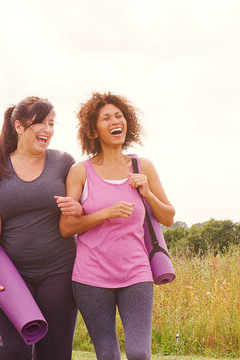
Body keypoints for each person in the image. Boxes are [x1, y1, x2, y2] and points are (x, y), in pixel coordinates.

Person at [58, 92, 175, 360]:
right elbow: (67, 227)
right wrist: (105, 213)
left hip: (136, 272)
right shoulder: (80, 171)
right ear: (94, 129)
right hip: (91, 276)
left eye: (119, 116)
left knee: (138, 353)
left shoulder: (141, 166)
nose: (115, 121)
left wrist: (147, 192)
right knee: (108, 355)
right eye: (106, 118)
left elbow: (168, 217)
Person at [0, 96, 82, 360]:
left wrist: (78, 208)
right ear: (19, 126)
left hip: (59, 271)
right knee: (13, 350)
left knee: (55, 352)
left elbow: (82, 209)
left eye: (51, 123)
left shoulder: (64, 162)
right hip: (12, 275)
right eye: (40, 123)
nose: (47, 130)